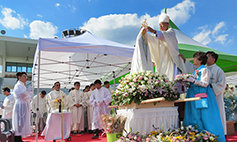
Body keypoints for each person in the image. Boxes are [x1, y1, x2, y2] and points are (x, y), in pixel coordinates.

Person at [179, 51, 227, 135]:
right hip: (198, 94)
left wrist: (210, 87)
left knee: (210, 116)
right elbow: (193, 71)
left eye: (208, 56)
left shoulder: (218, 70)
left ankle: (214, 134)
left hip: (211, 94)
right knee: (197, 115)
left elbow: (220, 84)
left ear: (214, 59)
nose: (206, 57)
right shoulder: (198, 69)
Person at [132, 12, 186, 80]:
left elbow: (164, 36)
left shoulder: (171, 33)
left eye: (162, 24)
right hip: (161, 62)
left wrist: (154, 31)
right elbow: (153, 40)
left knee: (172, 79)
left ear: (167, 25)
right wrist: (144, 34)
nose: (160, 26)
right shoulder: (158, 35)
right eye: (159, 25)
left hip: (171, 61)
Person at [12, 72, 32, 141]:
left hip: (23, 106)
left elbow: (25, 95)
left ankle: (19, 138)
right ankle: (17, 138)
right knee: (19, 123)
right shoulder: (18, 85)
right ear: (19, 77)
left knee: (22, 123)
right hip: (20, 106)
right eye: (24, 76)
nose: (26, 78)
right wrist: (28, 91)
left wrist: (28, 92)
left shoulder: (22, 85)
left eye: (26, 76)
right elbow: (22, 95)